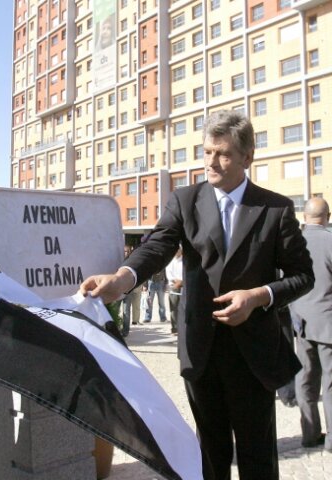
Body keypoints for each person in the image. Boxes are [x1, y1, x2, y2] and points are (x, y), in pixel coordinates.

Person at [80, 109, 314, 479]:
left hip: (255, 356)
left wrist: (258, 295)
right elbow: (156, 246)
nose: (211, 162)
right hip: (201, 351)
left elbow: (303, 276)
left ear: (247, 158)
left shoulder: (276, 209)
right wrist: (123, 278)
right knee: (209, 458)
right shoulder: (184, 200)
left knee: (258, 458)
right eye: (207, 152)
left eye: (223, 154)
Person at [289, 197, 332, 450]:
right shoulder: (330, 241)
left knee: (305, 379)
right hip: (328, 321)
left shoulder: (293, 243)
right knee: (330, 382)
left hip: (301, 322)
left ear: (304, 216)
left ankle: (309, 433)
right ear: (328, 216)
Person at [165, 246, 183, 334]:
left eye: (178, 249)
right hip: (174, 286)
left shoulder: (185, 261)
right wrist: (177, 282)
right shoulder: (170, 261)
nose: (177, 251)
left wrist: (182, 282)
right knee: (173, 308)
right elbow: (169, 274)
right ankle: (174, 328)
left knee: (183, 307)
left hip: (183, 286)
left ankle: (182, 327)